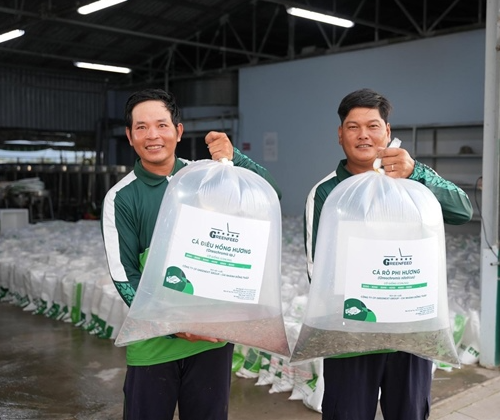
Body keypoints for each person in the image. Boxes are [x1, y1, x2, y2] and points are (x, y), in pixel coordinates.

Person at [101, 88, 281, 420]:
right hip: (154, 345)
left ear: (178, 131)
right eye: (141, 127)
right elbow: (124, 276)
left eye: (162, 125)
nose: (152, 135)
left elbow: (269, 193)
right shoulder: (122, 197)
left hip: (213, 340)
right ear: (129, 136)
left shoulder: (206, 177)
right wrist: (172, 326)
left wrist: (235, 158)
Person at [304, 88, 473, 420]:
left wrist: (416, 173)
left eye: (373, 126)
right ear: (340, 135)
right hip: (351, 336)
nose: (363, 135)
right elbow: (317, 271)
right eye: (353, 127)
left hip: (410, 334)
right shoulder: (326, 192)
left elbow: (462, 211)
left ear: (387, 131)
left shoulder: (412, 180)